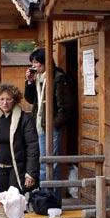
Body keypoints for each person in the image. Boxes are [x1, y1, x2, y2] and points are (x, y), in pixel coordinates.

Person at [24, 48, 73, 183]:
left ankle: (51, 197)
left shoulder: (57, 78)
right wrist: (29, 82)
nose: (34, 66)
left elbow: (65, 107)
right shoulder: (38, 78)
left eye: (36, 62)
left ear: (45, 62)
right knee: (42, 162)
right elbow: (30, 99)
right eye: (32, 63)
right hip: (40, 125)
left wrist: (54, 125)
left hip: (51, 127)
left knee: (52, 163)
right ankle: (44, 194)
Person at [0, 83, 39, 194]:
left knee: (15, 202)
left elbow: (32, 147)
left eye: (8, 99)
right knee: (3, 202)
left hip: (16, 168)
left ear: (15, 100)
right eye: (1, 99)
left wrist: (31, 173)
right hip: (0, 167)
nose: (5, 103)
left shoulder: (25, 119)